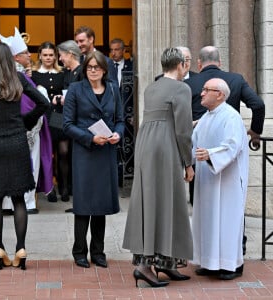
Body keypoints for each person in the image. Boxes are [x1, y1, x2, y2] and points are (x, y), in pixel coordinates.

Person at [123, 48, 194, 288]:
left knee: (151, 203)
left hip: (146, 146)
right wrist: (189, 162)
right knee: (168, 203)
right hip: (165, 148)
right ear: (181, 64)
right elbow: (184, 131)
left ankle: (164, 263)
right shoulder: (182, 88)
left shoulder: (152, 87)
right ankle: (147, 266)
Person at [185, 46, 265, 254]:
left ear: (199, 64)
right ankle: (226, 249)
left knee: (208, 205)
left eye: (206, 92)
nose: (203, 93)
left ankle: (228, 254)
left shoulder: (190, 83)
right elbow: (258, 104)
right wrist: (255, 132)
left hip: (213, 156)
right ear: (220, 62)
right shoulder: (236, 79)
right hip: (212, 153)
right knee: (223, 206)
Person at [0, 41, 49, 270]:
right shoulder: (18, 79)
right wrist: (25, 122)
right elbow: (43, 103)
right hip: (16, 142)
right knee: (19, 198)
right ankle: (20, 248)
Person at [63, 50, 124, 269]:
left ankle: (98, 252)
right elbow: (67, 124)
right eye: (89, 67)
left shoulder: (114, 90)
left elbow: (120, 120)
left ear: (104, 70)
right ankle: (80, 251)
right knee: (84, 203)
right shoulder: (75, 89)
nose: (93, 71)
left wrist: (118, 133)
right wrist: (90, 138)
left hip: (106, 152)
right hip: (85, 152)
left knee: (101, 204)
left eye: (97, 67)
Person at [191, 78, 249, 280]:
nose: (202, 93)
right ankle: (210, 262)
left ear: (220, 95)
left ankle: (230, 265)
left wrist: (210, 154)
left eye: (207, 90)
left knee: (226, 220)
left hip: (227, 181)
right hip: (207, 179)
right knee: (207, 219)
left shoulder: (231, 117)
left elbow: (233, 145)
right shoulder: (206, 117)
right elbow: (194, 143)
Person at [0, 28, 54, 213]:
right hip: (23, 129)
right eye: (24, 53)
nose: (29, 55)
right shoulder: (18, 76)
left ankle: (9, 204)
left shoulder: (12, 75)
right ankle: (26, 203)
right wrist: (27, 122)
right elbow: (35, 102)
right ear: (15, 57)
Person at [31, 41, 66, 202]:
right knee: (47, 152)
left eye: (51, 55)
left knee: (63, 151)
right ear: (40, 56)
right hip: (43, 116)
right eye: (45, 55)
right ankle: (49, 188)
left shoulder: (62, 73)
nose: (48, 58)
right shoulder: (34, 74)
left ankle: (64, 187)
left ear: (56, 56)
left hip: (58, 115)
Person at [57, 40, 84, 212]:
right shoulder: (68, 73)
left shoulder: (82, 72)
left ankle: (80, 200)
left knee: (79, 161)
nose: (60, 59)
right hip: (69, 121)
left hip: (80, 123)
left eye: (61, 55)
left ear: (70, 54)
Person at [110, 38, 134, 186]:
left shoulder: (132, 66)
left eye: (117, 49)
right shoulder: (106, 67)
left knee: (128, 145)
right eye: (111, 50)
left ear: (124, 50)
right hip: (111, 114)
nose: (114, 53)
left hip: (128, 113)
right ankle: (114, 177)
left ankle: (127, 177)